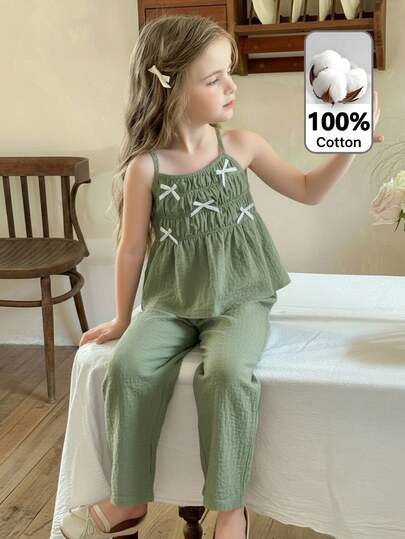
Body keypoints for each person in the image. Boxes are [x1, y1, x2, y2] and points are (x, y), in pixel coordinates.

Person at [59, 14, 383, 539]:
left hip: (240, 298)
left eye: (228, 74)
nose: (231, 87)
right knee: (127, 369)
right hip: (170, 302)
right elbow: (131, 247)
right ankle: (129, 498)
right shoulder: (146, 167)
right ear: (169, 89)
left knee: (229, 374)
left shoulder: (241, 147)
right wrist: (122, 319)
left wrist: (347, 148)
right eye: (214, 79)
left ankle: (231, 508)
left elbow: (307, 189)